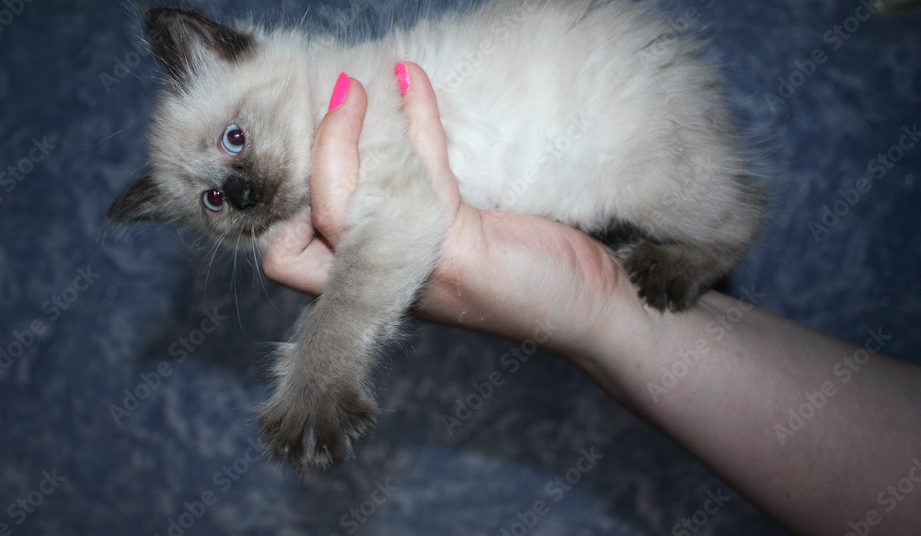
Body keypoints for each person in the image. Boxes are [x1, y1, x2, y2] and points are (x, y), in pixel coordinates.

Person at [261, 63, 921, 535]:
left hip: (604, 90)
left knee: (648, 177)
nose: (234, 194)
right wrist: (595, 304)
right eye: (209, 201)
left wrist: (321, 362)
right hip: (590, 111)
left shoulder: (343, 88)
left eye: (235, 139)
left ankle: (720, 225)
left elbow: (404, 221)